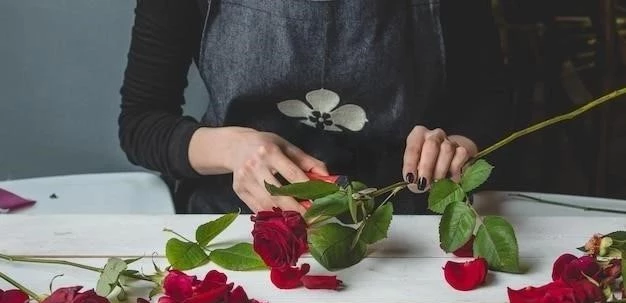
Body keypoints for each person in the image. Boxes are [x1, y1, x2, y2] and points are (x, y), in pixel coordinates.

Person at [118, 0, 510, 214]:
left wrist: (456, 144)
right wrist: (233, 149)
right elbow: (141, 123)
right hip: (241, 222)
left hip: (405, 225)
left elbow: (489, 97)